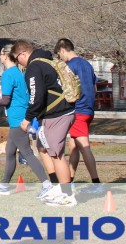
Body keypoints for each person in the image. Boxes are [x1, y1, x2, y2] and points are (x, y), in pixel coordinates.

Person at [12, 39, 78, 207]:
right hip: (60, 111)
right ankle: (57, 187)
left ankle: (67, 195)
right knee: (43, 147)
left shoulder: (34, 67)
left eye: (17, 59)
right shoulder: (46, 60)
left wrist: (27, 119)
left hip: (57, 113)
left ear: (23, 54)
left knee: (56, 154)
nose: (18, 63)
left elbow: (36, 96)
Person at [0, 45, 52, 198]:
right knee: (10, 152)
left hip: (17, 119)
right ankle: (4, 185)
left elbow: (6, 99)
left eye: (0, 54)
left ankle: (47, 184)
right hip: (20, 116)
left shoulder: (8, 74)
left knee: (27, 153)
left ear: (4, 55)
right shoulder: (19, 72)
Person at [55, 38, 105, 194]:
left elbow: (66, 90)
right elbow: (95, 88)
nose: (60, 58)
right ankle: (69, 181)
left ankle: (97, 184)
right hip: (89, 109)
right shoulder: (87, 64)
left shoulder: (70, 66)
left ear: (63, 50)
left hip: (78, 110)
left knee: (84, 146)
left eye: (59, 54)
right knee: (73, 146)